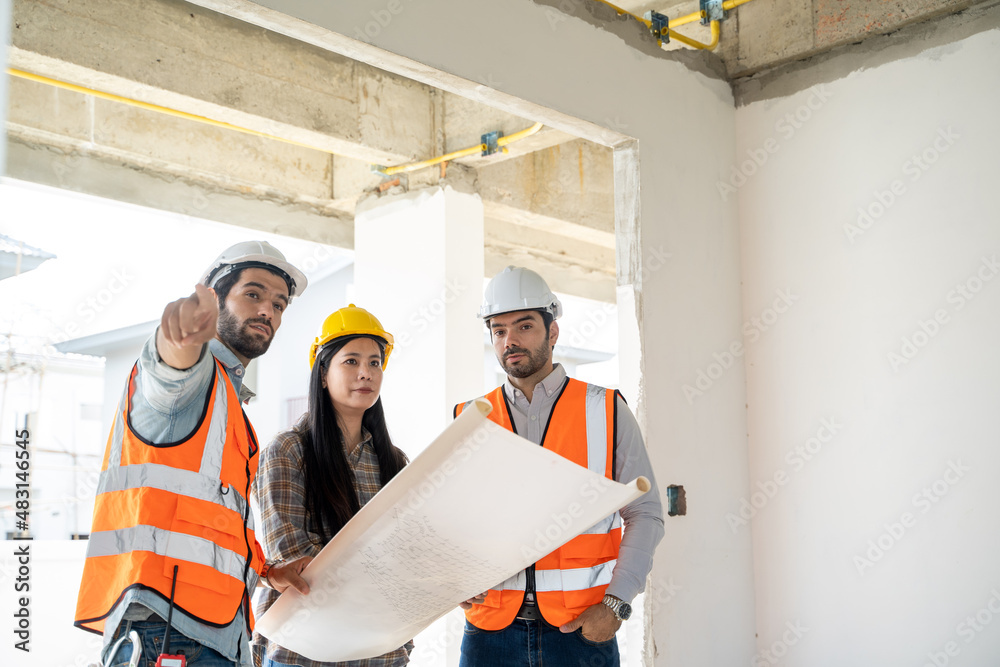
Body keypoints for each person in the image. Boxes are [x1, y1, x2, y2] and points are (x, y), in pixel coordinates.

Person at [75, 241, 314, 667]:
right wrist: (179, 335)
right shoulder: (192, 379)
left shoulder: (229, 400)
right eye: (253, 294)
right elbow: (169, 368)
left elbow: (208, 517)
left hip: (210, 632)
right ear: (212, 296)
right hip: (166, 629)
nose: (268, 312)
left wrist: (265, 568)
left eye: (279, 305)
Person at [455, 266, 665, 667]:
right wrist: (451, 577)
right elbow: (451, 520)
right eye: (498, 330)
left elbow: (646, 513)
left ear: (553, 332)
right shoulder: (471, 419)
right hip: (488, 636)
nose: (509, 340)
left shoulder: (605, 411)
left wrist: (616, 604)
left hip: (581, 633)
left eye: (524, 326)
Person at [252, 304, 412, 667]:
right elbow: (298, 562)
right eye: (351, 361)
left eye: (374, 362)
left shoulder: (395, 462)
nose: (366, 373)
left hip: (380, 653)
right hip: (302, 651)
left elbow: (408, 553)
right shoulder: (288, 450)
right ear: (322, 373)